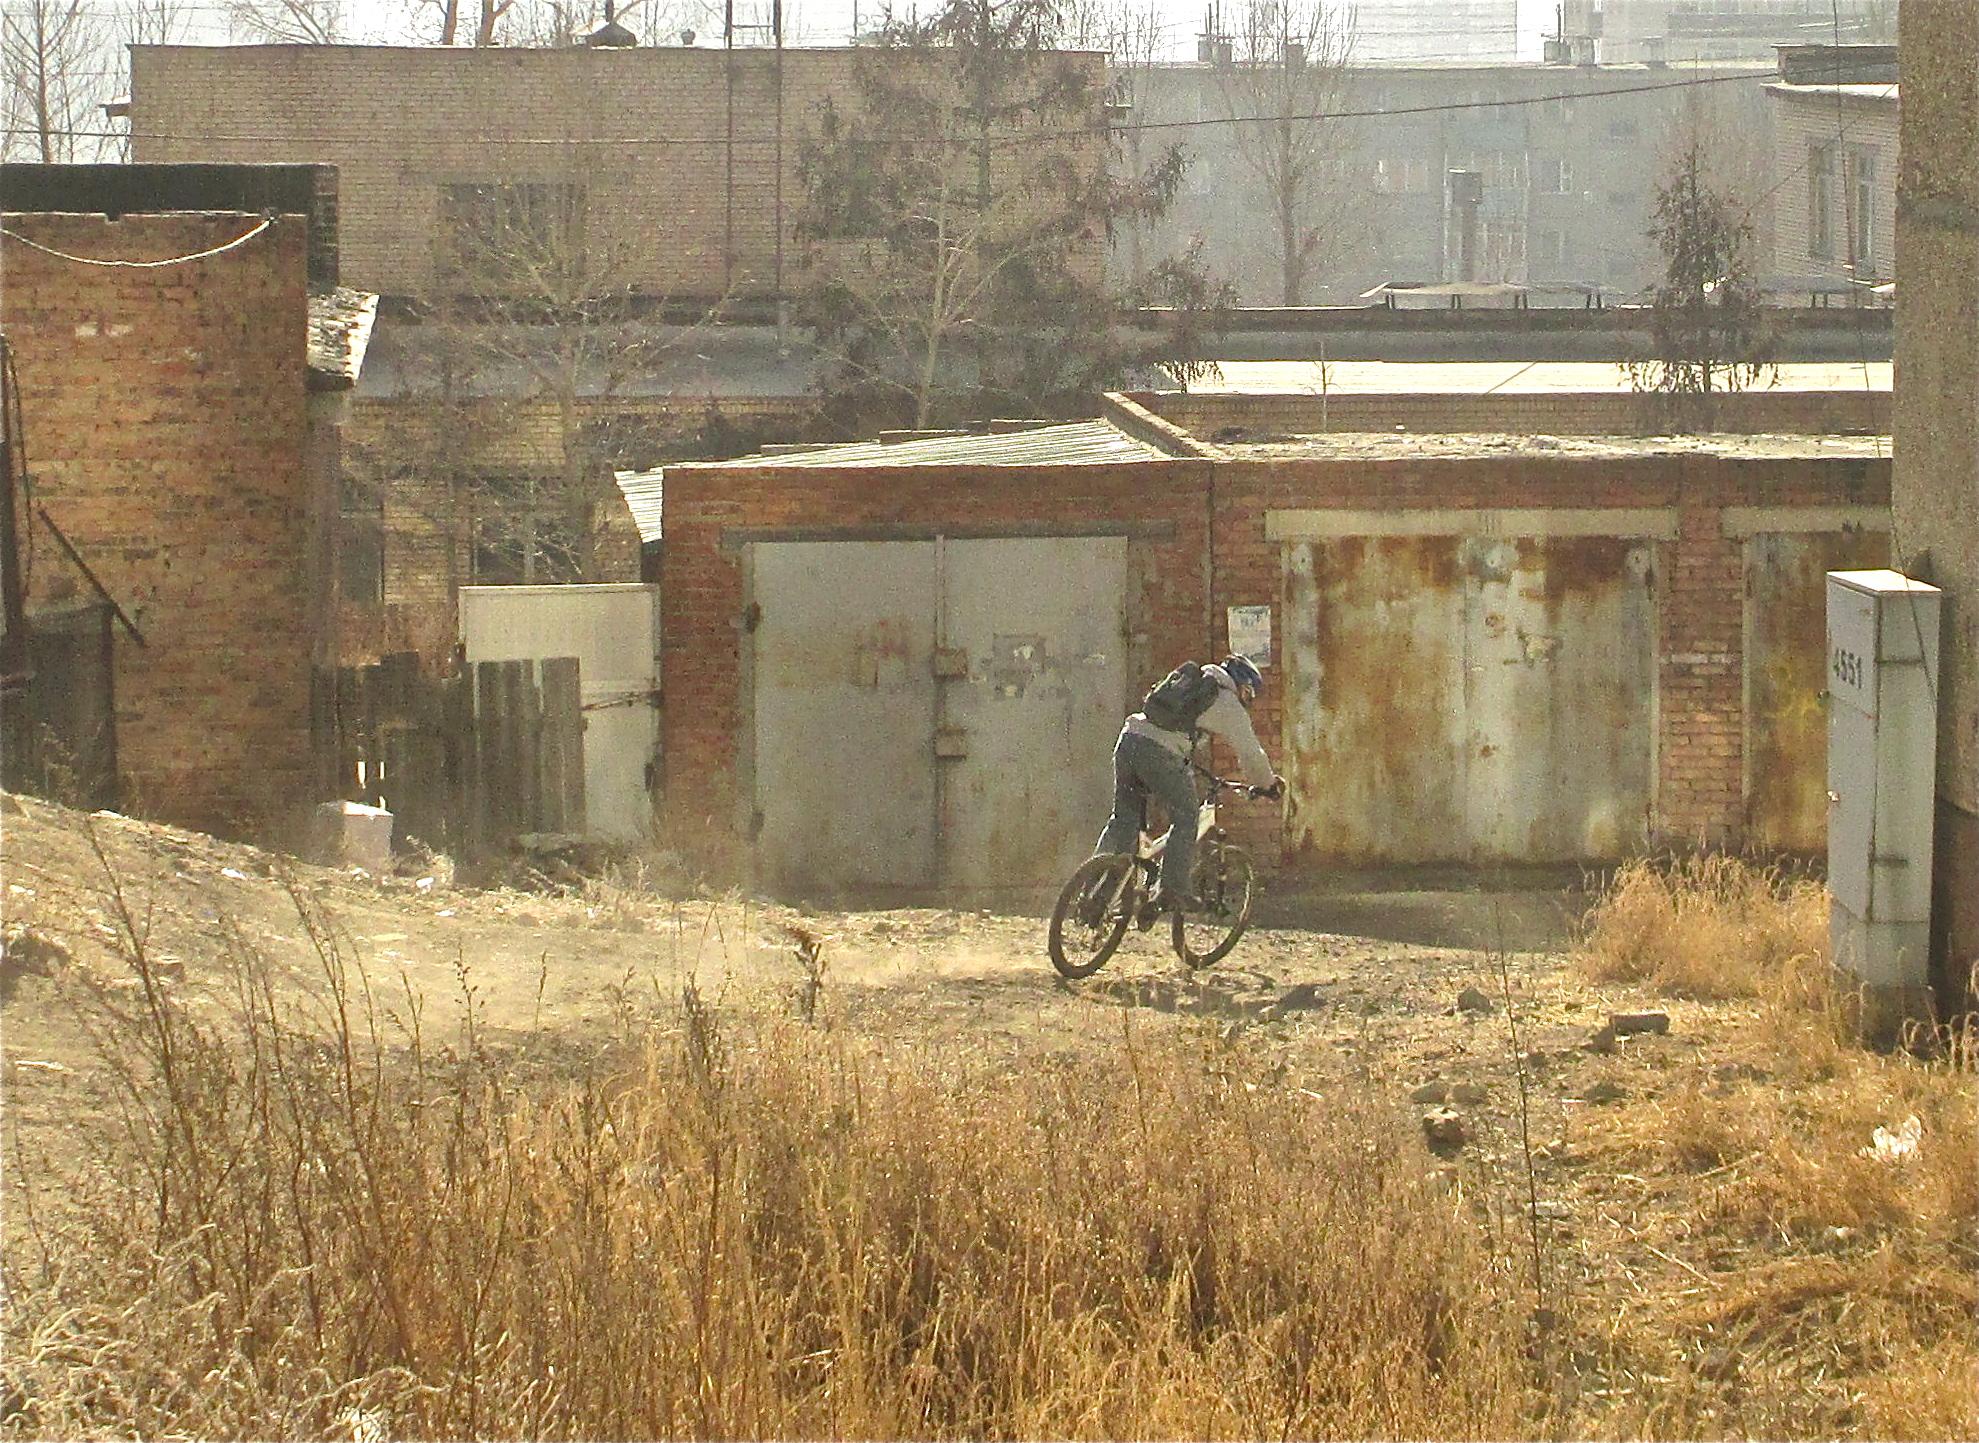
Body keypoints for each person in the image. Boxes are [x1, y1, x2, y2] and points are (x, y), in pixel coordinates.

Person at [1089, 653, 1284, 918]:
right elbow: (1251, 754)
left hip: (1129, 739)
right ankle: (1171, 889)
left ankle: (1094, 892)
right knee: (1187, 815)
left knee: (1123, 820)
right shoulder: (1226, 700)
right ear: (1243, 685)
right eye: (1249, 693)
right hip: (1158, 753)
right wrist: (1268, 784)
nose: (1248, 700)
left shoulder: (1191, 679)